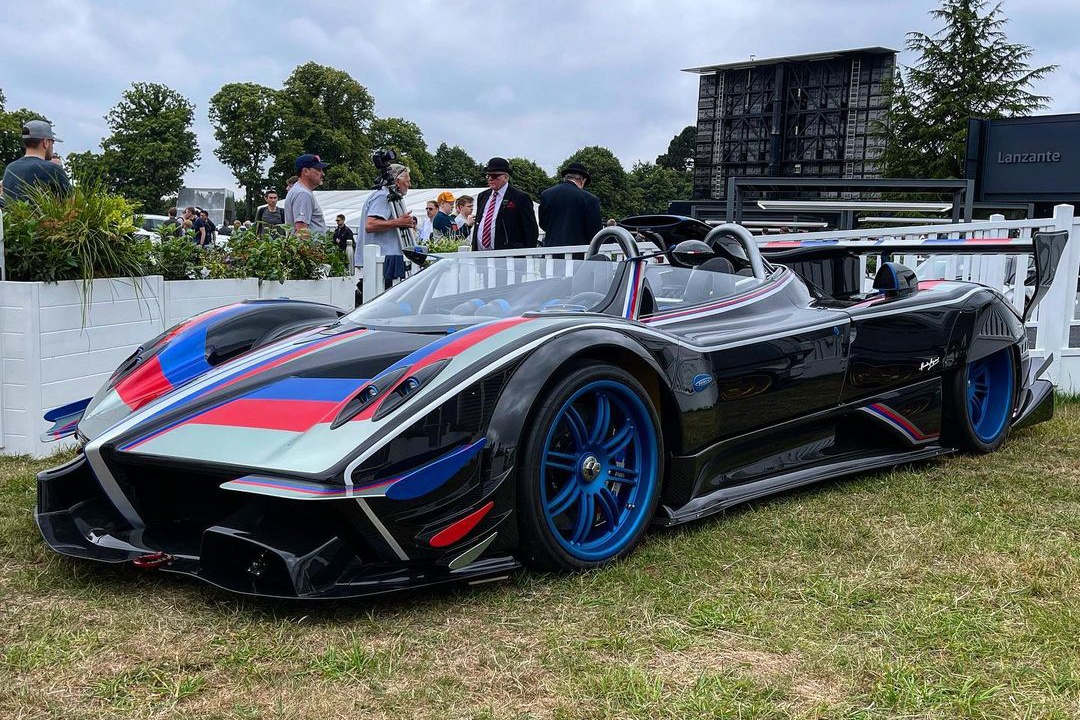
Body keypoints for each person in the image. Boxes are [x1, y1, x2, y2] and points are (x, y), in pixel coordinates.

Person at [359, 163, 417, 289]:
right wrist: (399, 222)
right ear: (397, 181)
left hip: (384, 263)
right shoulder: (383, 196)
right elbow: (370, 225)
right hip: (382, 265)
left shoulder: (384, 195)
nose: (409, 185)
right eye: (408, 181)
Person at [472, 157, 539, 251]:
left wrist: (527, 255)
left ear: (506, 177)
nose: (490, 179)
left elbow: (530, 230)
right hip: (480, 253)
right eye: (488, 176)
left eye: (494, 176)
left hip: (508, 255)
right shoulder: (482, 196)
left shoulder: (520, 198)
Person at [1, 120, 72, 204]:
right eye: (52, 142)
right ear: (45, 142)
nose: (53, 146)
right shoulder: (52, 169)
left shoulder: (10, 168)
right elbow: (72, 205)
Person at [539, 162, 602, 248]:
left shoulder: (546, 194)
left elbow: (543, 223)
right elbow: (595, 233)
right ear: (583, 180)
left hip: (550, 251)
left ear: (566, 178)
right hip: (577, 253)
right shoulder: (590, 199)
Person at [283, 154, 329, 237]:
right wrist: (309, 250)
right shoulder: (303, 194)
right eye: (318, 169)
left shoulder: (298, 190)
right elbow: (302, 231)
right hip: (310, 249)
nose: (322, 174)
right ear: (305, 171)